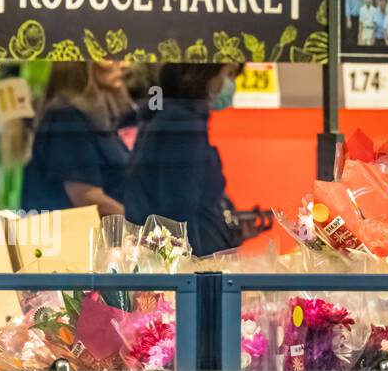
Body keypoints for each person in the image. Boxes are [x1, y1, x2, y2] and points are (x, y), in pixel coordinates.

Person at [124, 63, 239, 256]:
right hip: (192, 264)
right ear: (206, 74)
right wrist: (190, 269)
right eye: (227, 73)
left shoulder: (167, 118)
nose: (227, 82)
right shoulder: (181, 124)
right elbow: (178, 207)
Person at [21, 61, 132, 216]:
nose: (124, 64)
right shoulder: (67, 116)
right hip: (73, 237)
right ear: (82, 64)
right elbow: (85, 197)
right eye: (108, 57)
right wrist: (140, 223)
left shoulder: (94, 116)